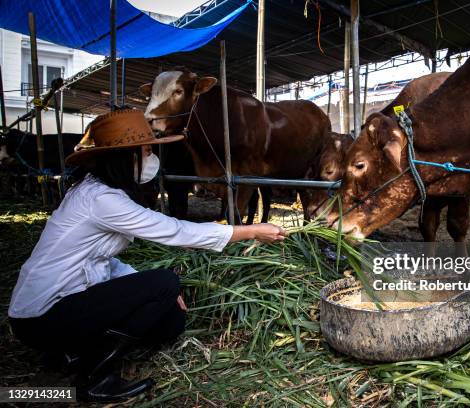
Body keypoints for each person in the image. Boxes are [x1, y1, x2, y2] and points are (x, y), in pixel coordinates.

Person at [7, 109, 286, 402]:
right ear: (125, 157)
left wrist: (147, 290)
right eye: (147, 150)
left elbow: (102, 260)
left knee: (172, 320)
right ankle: (92, 378)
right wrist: (251, 231)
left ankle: (72, 353)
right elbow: (175, 232)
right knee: (164, 281)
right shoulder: (101, 199)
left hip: (68, 302)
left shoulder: (97, 193)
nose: (152, 158)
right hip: (42, 314)